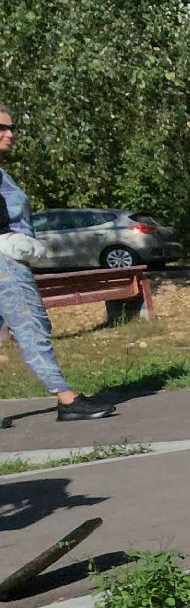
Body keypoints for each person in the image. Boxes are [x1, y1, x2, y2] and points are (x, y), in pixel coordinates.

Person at [0, 106, 115, 422]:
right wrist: (17, 243)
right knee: (32, 326)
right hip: (5, 266)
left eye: (11, 128)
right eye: (1, 128)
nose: (9, 134)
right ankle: (66, 399)